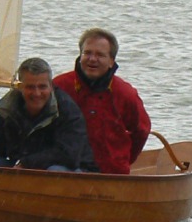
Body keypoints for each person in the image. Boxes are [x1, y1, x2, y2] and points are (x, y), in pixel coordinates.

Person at [53, 28, 151, 174]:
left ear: (111, 61)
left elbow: (141, 131)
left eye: (100, 55)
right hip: (67, 167)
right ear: (80, 56)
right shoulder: (59, 86)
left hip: (109, 174)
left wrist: (121, 160)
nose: (92, 59)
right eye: (87, 53)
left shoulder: (125, 94)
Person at [0, 57, 98, 172]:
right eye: (30, 87)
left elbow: (69, 155)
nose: (37, 93)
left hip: (71, 170)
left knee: (55, 171)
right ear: (20, 87)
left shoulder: (67, 110)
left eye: (42, 86)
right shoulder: (6, 109)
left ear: (51, 86)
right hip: (23, 166)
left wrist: (27, 163)